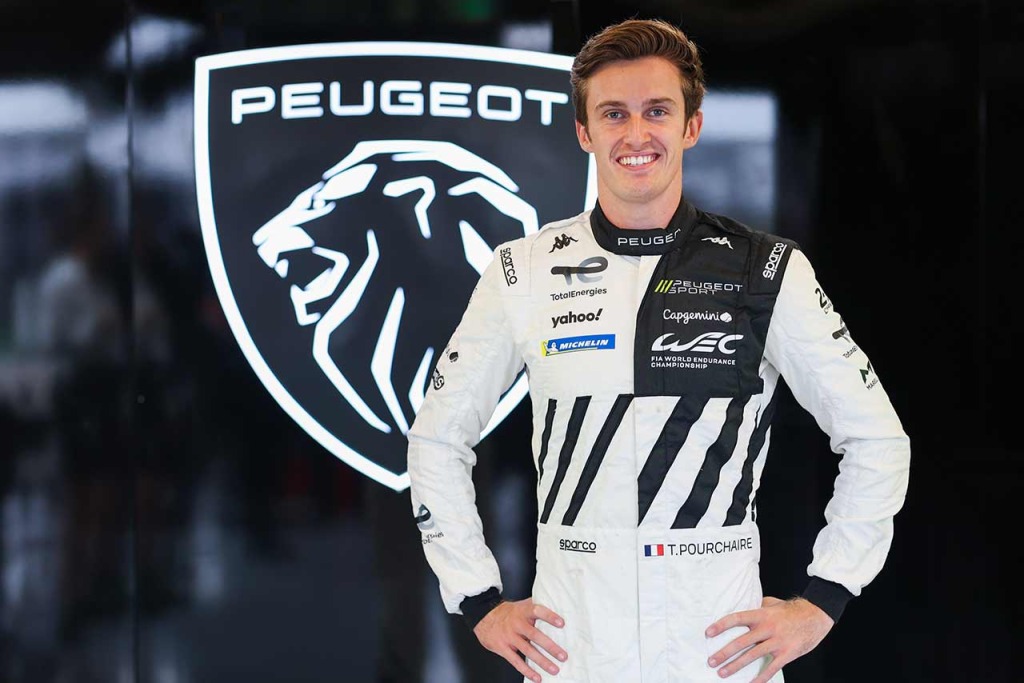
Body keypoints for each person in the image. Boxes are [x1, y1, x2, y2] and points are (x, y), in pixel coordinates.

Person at [406, 17, 910, 683]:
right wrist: (476, 597)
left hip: (719, 653)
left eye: (657, 111)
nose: (636, 133)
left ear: (691, 126)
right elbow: (437, 439)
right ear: (584, 132)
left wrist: (824, 599)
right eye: (613, 113)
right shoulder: (522, 271)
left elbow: (877, 439)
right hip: (575, 652)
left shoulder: (766, 271)